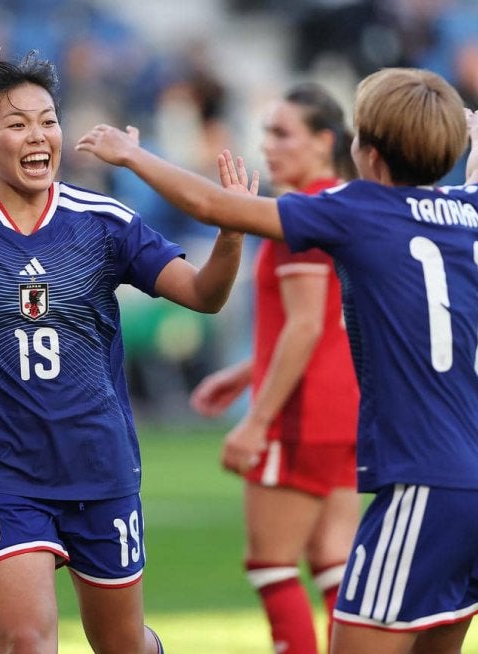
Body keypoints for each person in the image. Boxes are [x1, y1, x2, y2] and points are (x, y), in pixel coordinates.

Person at [77, 67, 478, 654]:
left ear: (367, 151)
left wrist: (132, 155)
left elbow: (214, 204)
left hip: (425, 482)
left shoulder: (359, 209)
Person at [0, 52, 246, 654]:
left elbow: (204, 295)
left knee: (121, 645)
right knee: (28, 642)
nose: (37, 135)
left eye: (48, 120)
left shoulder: (103, 221)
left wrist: (232, 230)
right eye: (17, 124)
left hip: (97, 463)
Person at [187, 82, 360, 654]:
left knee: (271, 564)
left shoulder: (302, 214)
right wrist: (244, 371)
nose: (268, 145)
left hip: (301, 412)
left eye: (283, 133)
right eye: (266, 132)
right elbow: (325, 320)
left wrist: (255, 419)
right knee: (335, 562)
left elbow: (307, 324)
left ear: (324, 140)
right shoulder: (350, 204)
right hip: (350, 409)